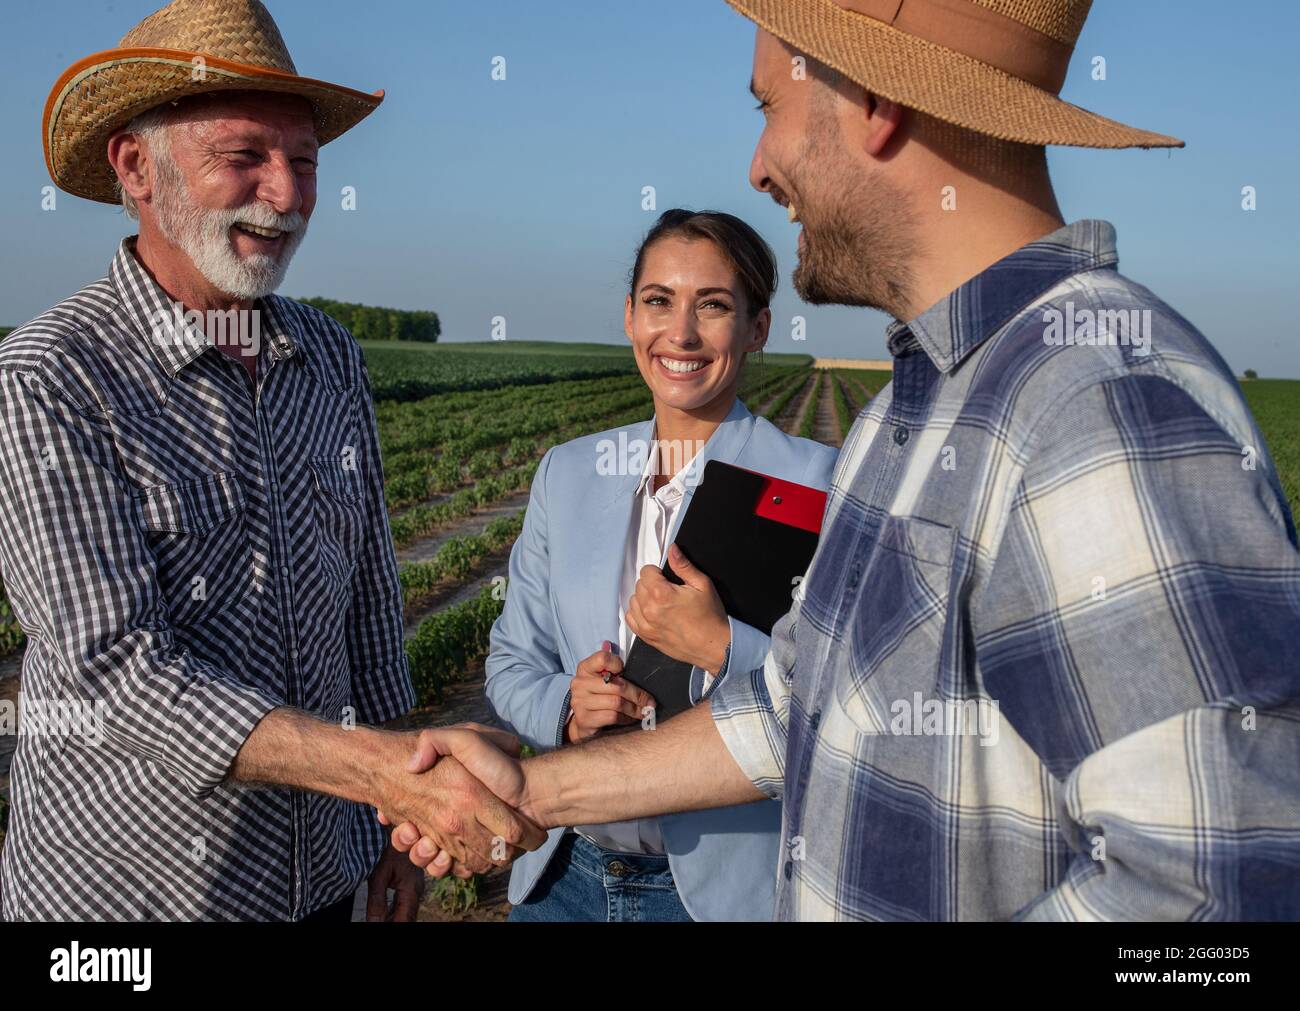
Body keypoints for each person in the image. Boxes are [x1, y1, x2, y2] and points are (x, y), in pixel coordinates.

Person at [390, 0, 1300, 920]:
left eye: (768, 107)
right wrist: (533, 795)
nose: (759, 165)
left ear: (874, 101)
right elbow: (794, 708)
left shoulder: (1098, 400)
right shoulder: (903, 419)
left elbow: (1221, 891)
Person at [0, 0, 540, 922]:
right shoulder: (55, 376)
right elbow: (116, 673)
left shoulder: (328, 357)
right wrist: (390, 776)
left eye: (304, 162)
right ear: (137, 166)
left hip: (323, 876)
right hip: (134, 900)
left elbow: (370, 610)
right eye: (244, 156)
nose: (286, 196)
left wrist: (385, 826)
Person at [480, 210, 837, 921]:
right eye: (658, 301)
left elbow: (851, 697)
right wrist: (566, 709)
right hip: (563, 881)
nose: (681, 333)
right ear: (629, 316)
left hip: (721, 896)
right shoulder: (568, 473)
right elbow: (510, 662)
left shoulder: (820, 487)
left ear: (758, 329)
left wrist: (722, 646)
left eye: (712, 305)